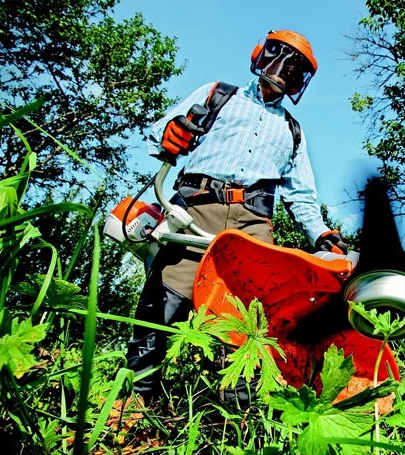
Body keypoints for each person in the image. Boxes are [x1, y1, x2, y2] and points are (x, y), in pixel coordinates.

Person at [127, 29, 347, 403]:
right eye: (278, 59)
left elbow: (302, 197)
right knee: (164, 304)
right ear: (260, 54)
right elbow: (158, 134)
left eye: (295, 70)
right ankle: (132, 403)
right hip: (197, 207)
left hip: (252, 224)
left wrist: (321, 235)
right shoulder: (219, 94)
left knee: (252, 321)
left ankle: (235, 417)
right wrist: (171, 133)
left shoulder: (293, 131)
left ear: (300, 82)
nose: (282, 72)